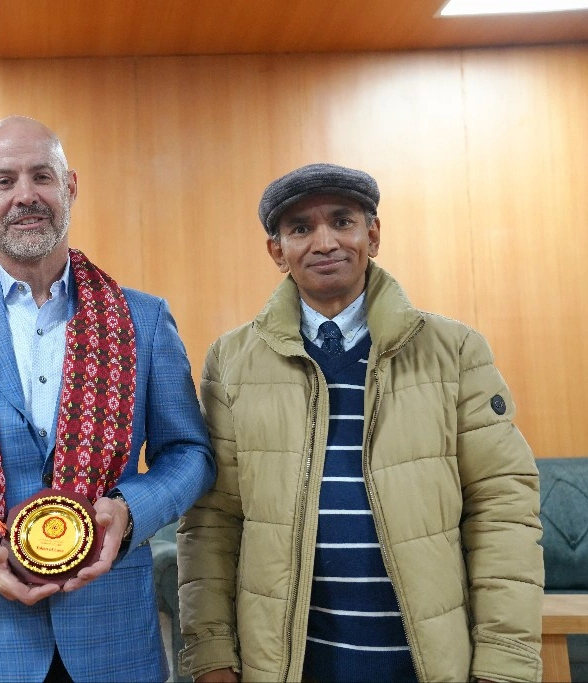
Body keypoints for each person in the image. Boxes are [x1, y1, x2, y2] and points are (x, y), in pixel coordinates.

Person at [0, 116, 216, 682]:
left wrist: (130, 512)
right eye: (4, 181)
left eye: (43, 176)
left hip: (113, 639)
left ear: (71, 187)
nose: (25, 196)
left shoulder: (145, 320)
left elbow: (190, 453)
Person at [177, 163, 543, 682]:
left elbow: (502, 507)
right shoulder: (232, 361)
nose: (324, 241)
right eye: (300, 228)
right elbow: (212, 520)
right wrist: (211, 654)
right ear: (277, 251)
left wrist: (505, 661)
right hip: (286, 665)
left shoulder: (454, 351)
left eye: (342, 221)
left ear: (372, 234)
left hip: (426, 662)